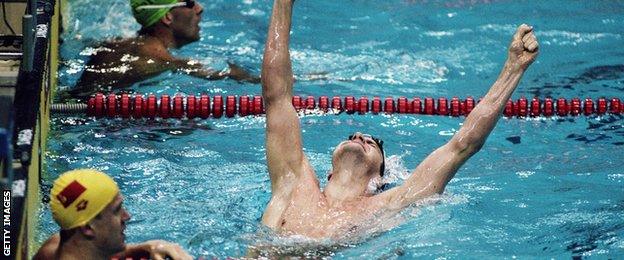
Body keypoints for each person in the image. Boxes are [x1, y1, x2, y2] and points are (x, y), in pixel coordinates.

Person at [260, 0, 539, 239]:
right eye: (352, 137)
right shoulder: (292, 180)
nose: (358, 135)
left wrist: (512, 70)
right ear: (329, 173)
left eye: (372, 142)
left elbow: (462, 146)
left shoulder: (391, 204)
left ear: (379, 181)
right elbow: (276, 97)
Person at [68, 0, 259, 98]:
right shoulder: (158, 59)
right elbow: (223, 71)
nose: (199, 9)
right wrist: (255, 79)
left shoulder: (117, 43)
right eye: (189, 3)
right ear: (167, 17)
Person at [33, 169, 192, 260]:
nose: (127, 216)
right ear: (88, 227)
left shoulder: (58, 245)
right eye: (117, 210)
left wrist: (147, 246)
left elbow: (99, 249)